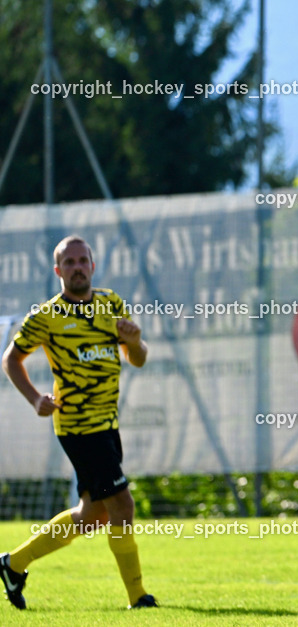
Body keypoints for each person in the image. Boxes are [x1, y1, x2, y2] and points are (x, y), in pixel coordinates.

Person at [0, 235, 158, 611]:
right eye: (68, 262)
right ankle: (138, 597)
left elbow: (138, 358)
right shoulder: (47, 316)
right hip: (78, 427)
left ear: (92, 264)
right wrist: (37, 398)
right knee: (122, 504)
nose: (76, 267)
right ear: (58, 271)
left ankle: (12, 564)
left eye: (82, 260)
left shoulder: (110, 304)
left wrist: (135, 343)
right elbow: (10, 360)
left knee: (93, 516)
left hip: (108, 424)